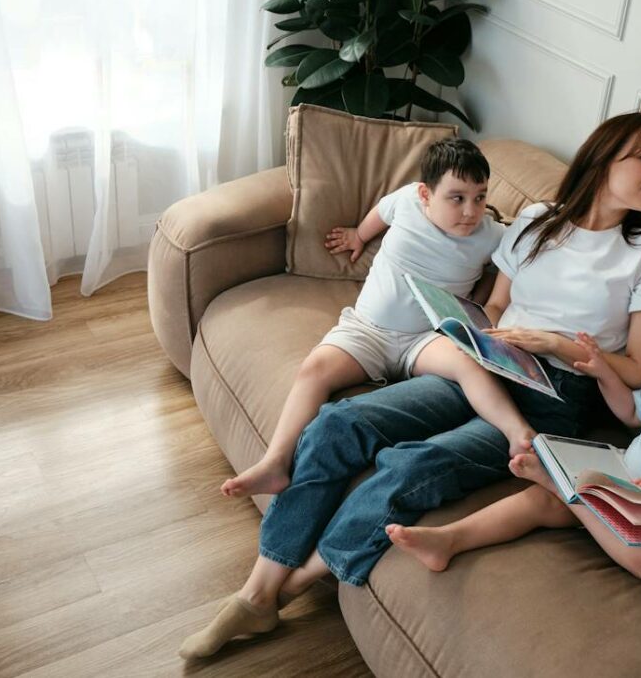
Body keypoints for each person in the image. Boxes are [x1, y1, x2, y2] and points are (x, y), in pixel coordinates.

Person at [180, 111, 641, 659]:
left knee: (414, 466)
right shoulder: (537, 221)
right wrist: (477, 335)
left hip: (559, 395)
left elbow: (636, 368)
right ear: (603, 158)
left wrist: (561, 346)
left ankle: (283, 591)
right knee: (339, 423)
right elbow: (493, 305)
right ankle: (259, 588)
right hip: (492, 364)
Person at [387, 288, 641, 582]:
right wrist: (603, 373)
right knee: (535, 501)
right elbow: (631, 414)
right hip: (621, 477)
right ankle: (448, 539)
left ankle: (569, 492)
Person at [220, 138, 534, 499]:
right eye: (457, 198)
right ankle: (275, 463)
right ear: (425, 194)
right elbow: (381, 213)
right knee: (314, 369)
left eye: (480, 197)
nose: (470, 211)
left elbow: (519, 256)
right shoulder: (406, 202)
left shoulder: (491, 236)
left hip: (426, 338)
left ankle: (518, 433)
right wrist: (358, 235)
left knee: (468, 363)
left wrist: (486, 302)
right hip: (367, 330)